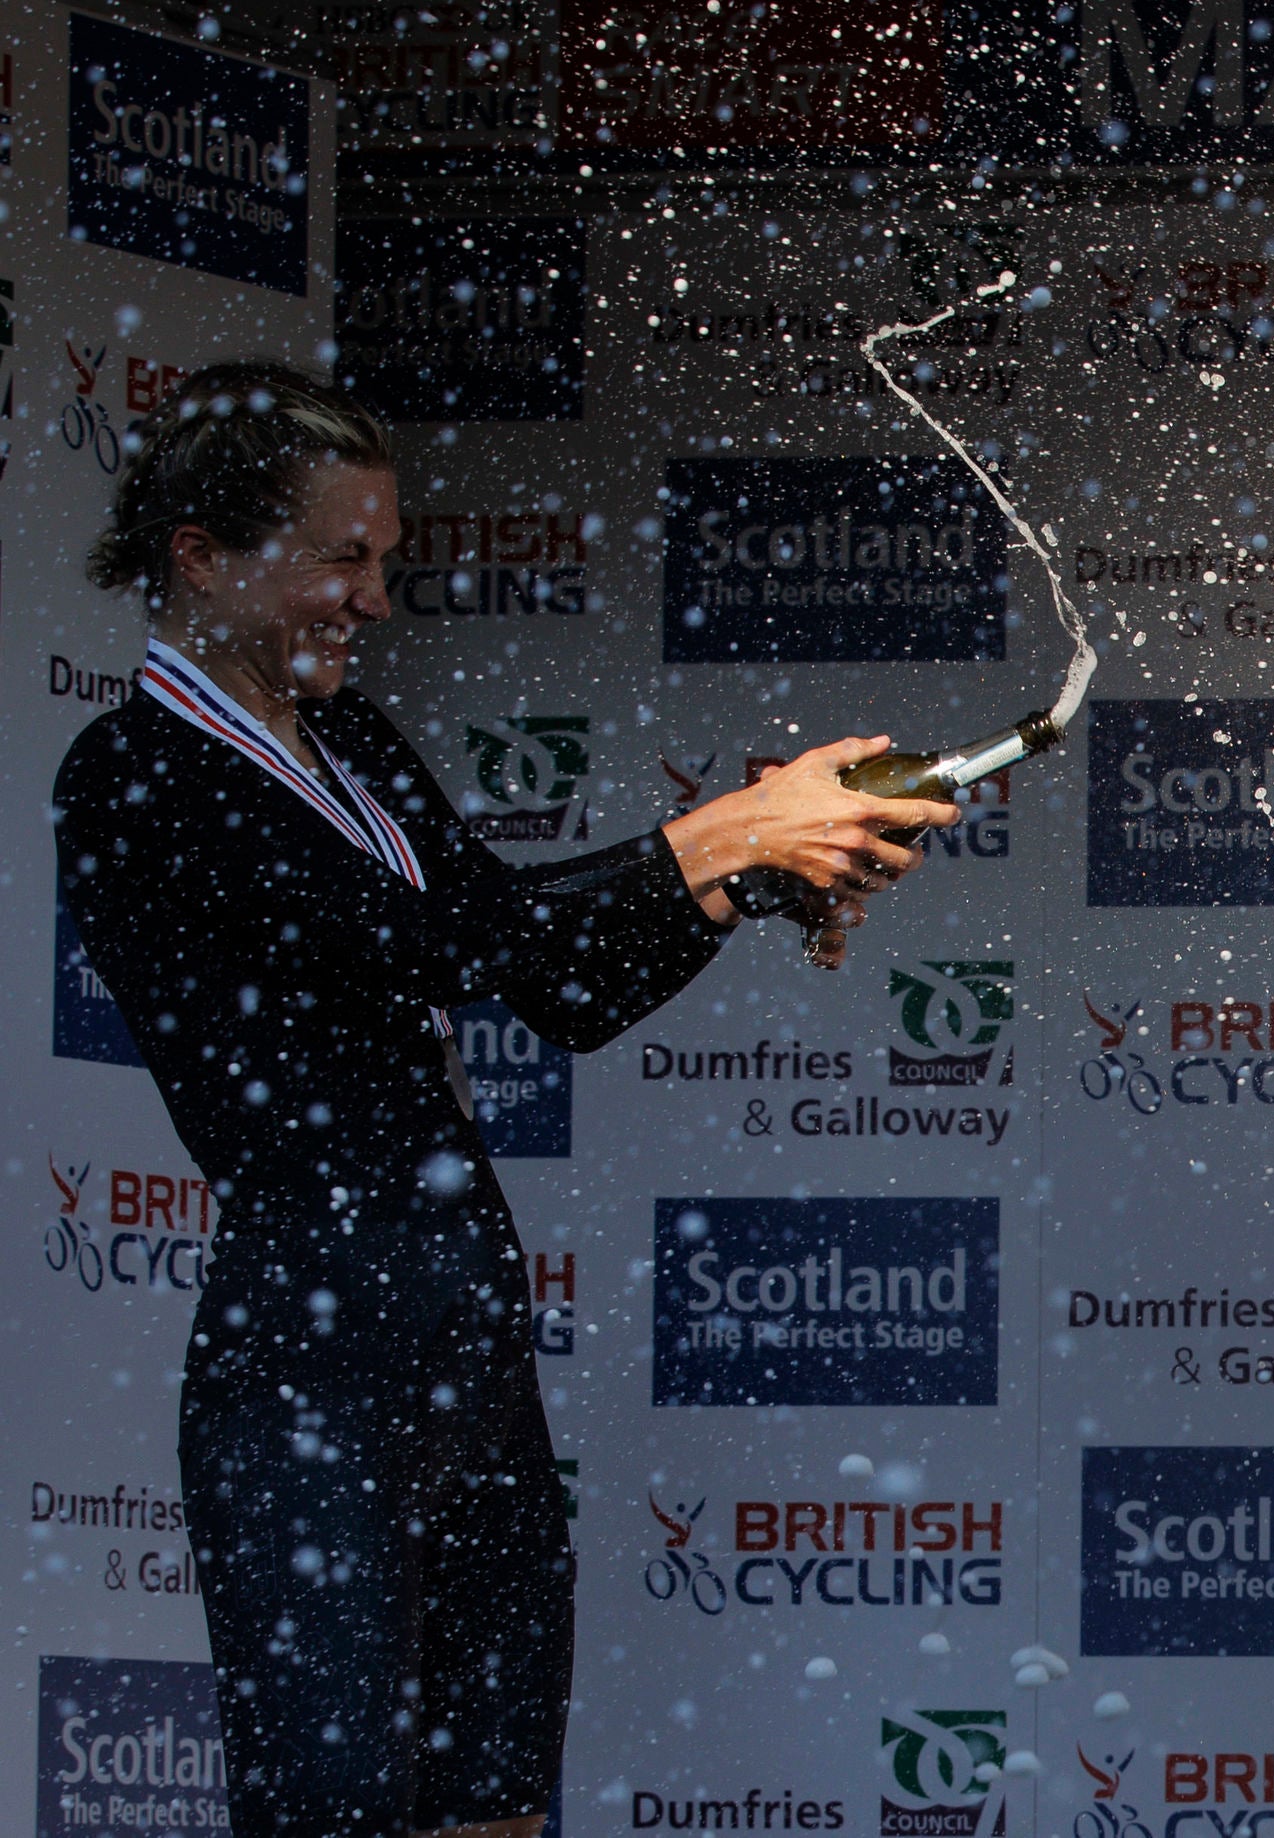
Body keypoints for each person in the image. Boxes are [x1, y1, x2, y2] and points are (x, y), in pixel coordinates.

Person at [51, 361, 960, 1838]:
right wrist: (723, 827)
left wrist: (747, 878)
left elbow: (562, 988)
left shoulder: (349, 744)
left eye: (383, 561)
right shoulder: (134, 771)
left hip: (464, 1335)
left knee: (492, 1807)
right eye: (341, 559)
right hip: (308, 1356)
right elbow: (438, 942)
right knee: (335, 1810)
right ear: (202, 558)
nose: (374, 600)